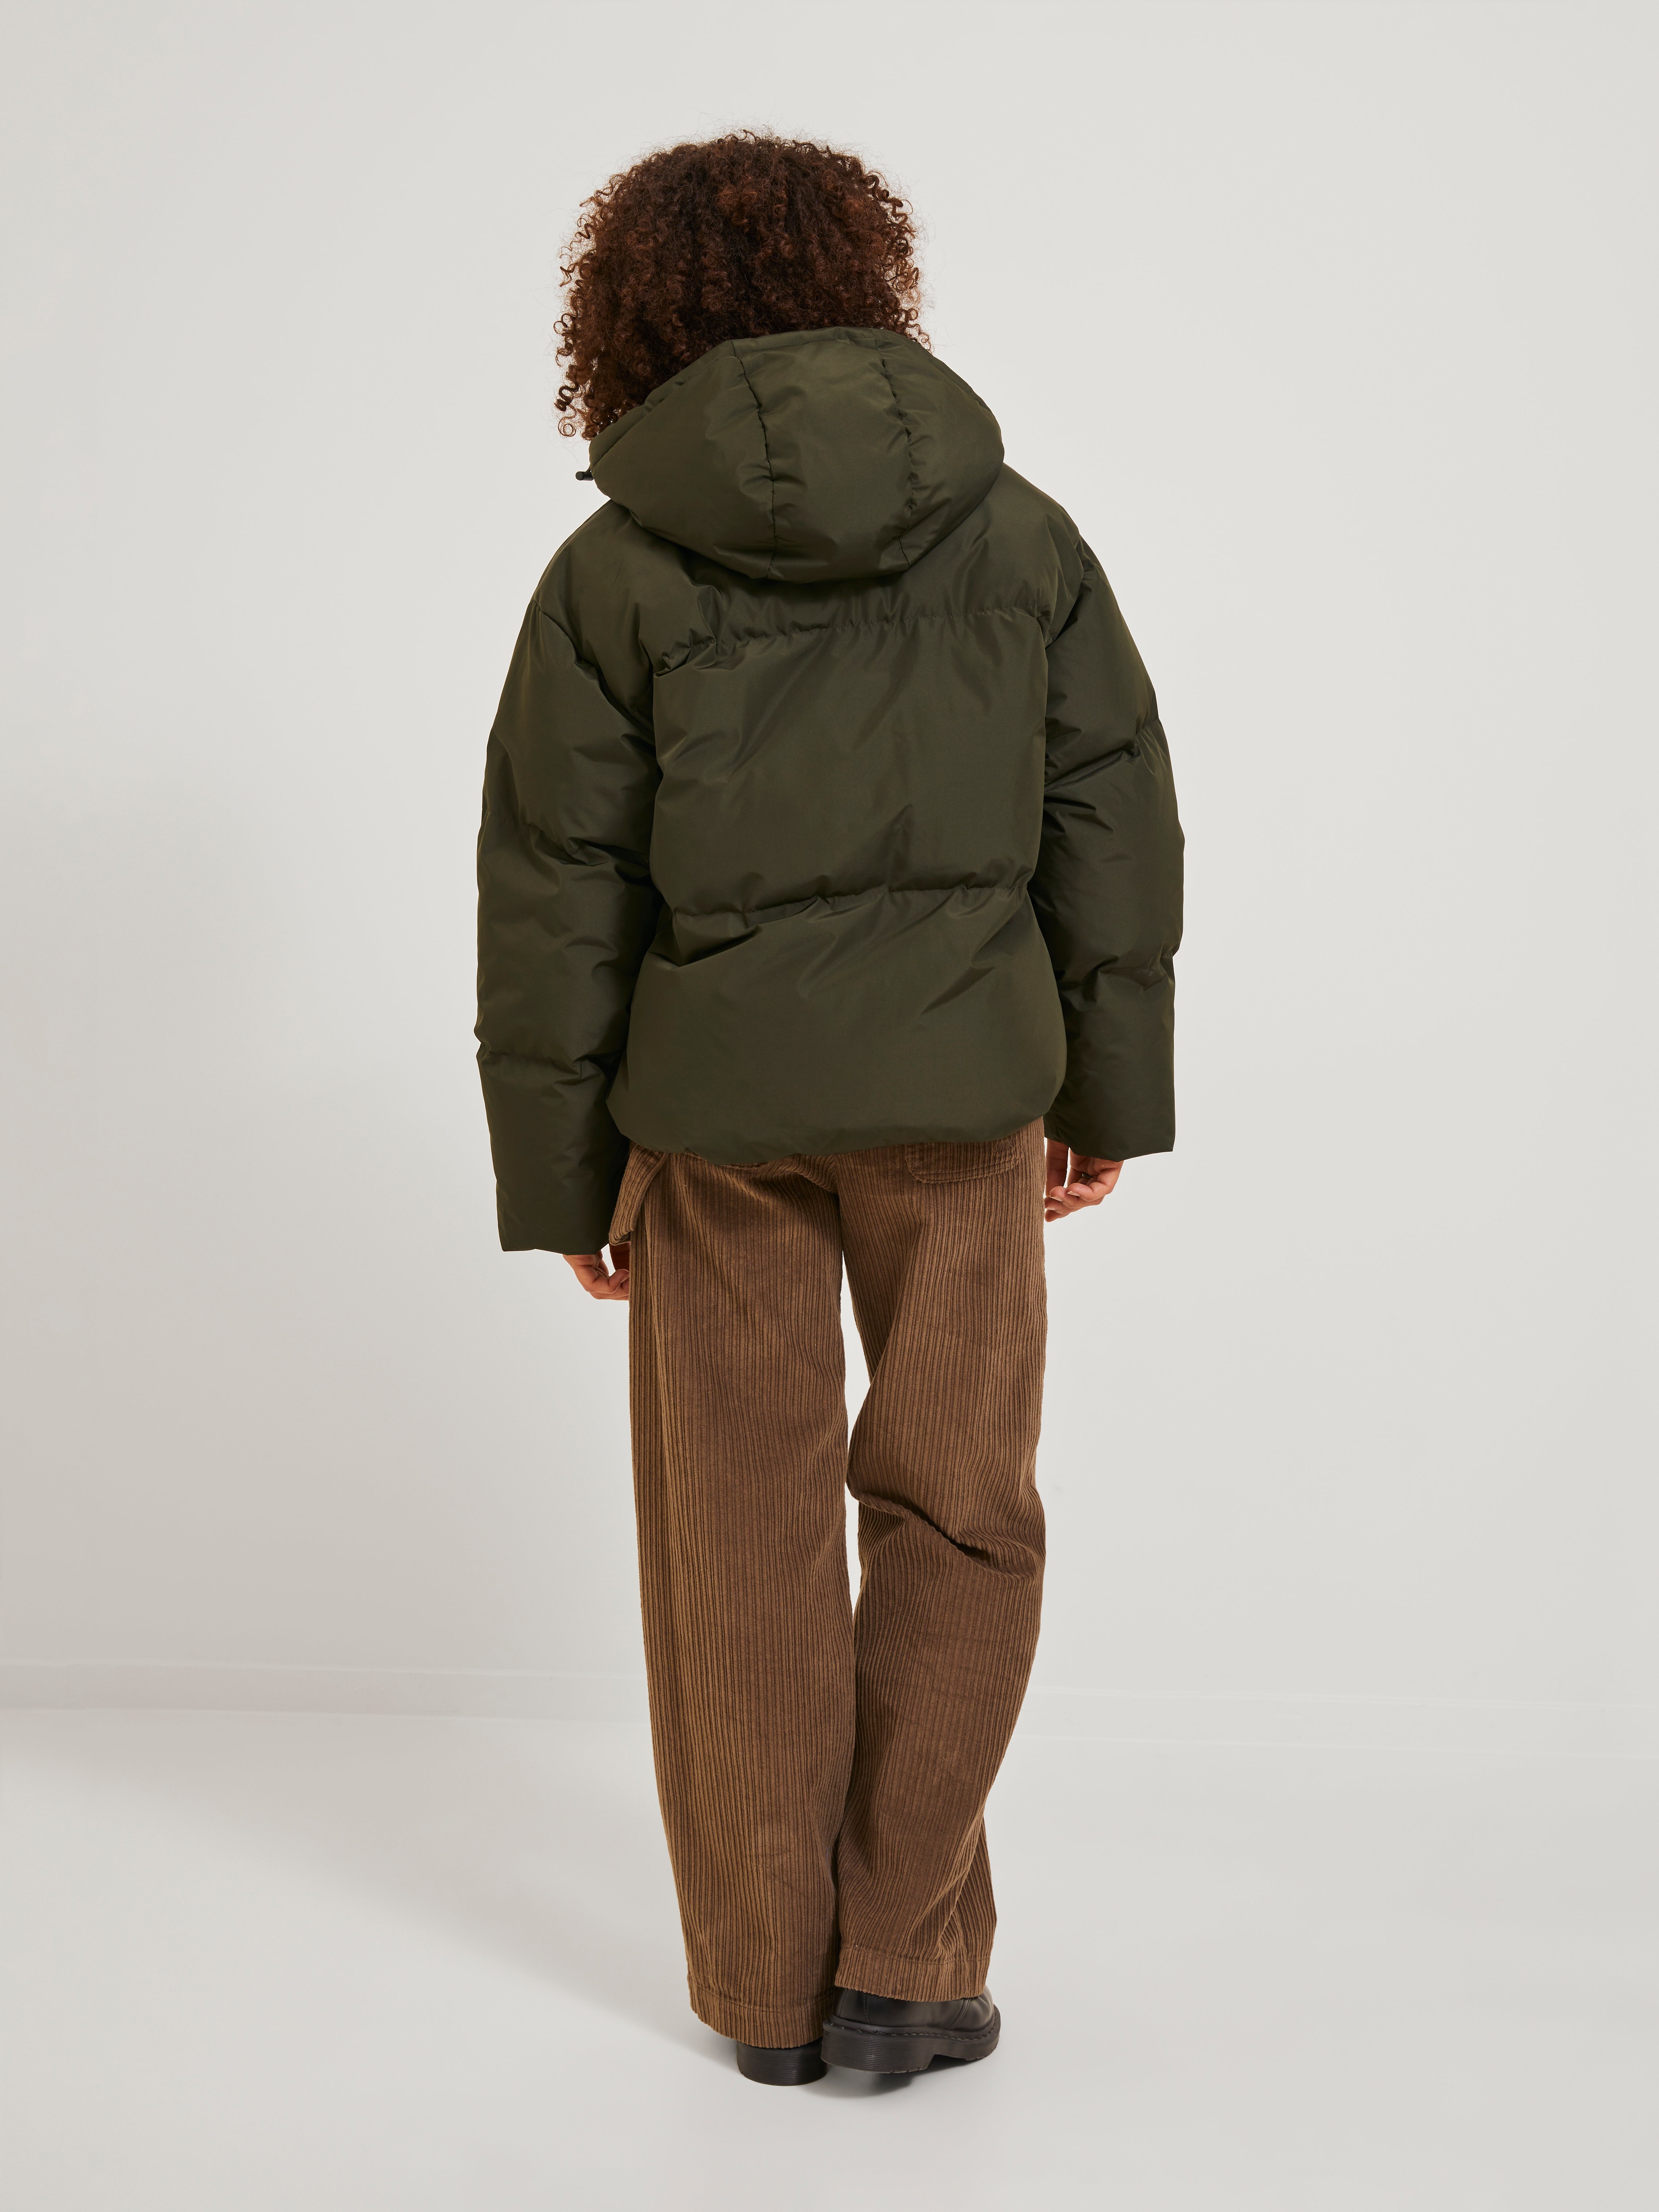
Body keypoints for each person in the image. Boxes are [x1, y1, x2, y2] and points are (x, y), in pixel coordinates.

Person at [476, 132, 1182, 2085]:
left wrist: (566, 1181)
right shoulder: (1016, 536)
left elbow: (554, 890)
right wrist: (1106, 1091)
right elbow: (1112, 818)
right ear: (871, 280)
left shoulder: (616, 567)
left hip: (715, 1124)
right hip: (968, 1100)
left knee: (740, 1545)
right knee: (961, 1515)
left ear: (628, 314)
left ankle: (768, 1994)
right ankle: (908, 1969)